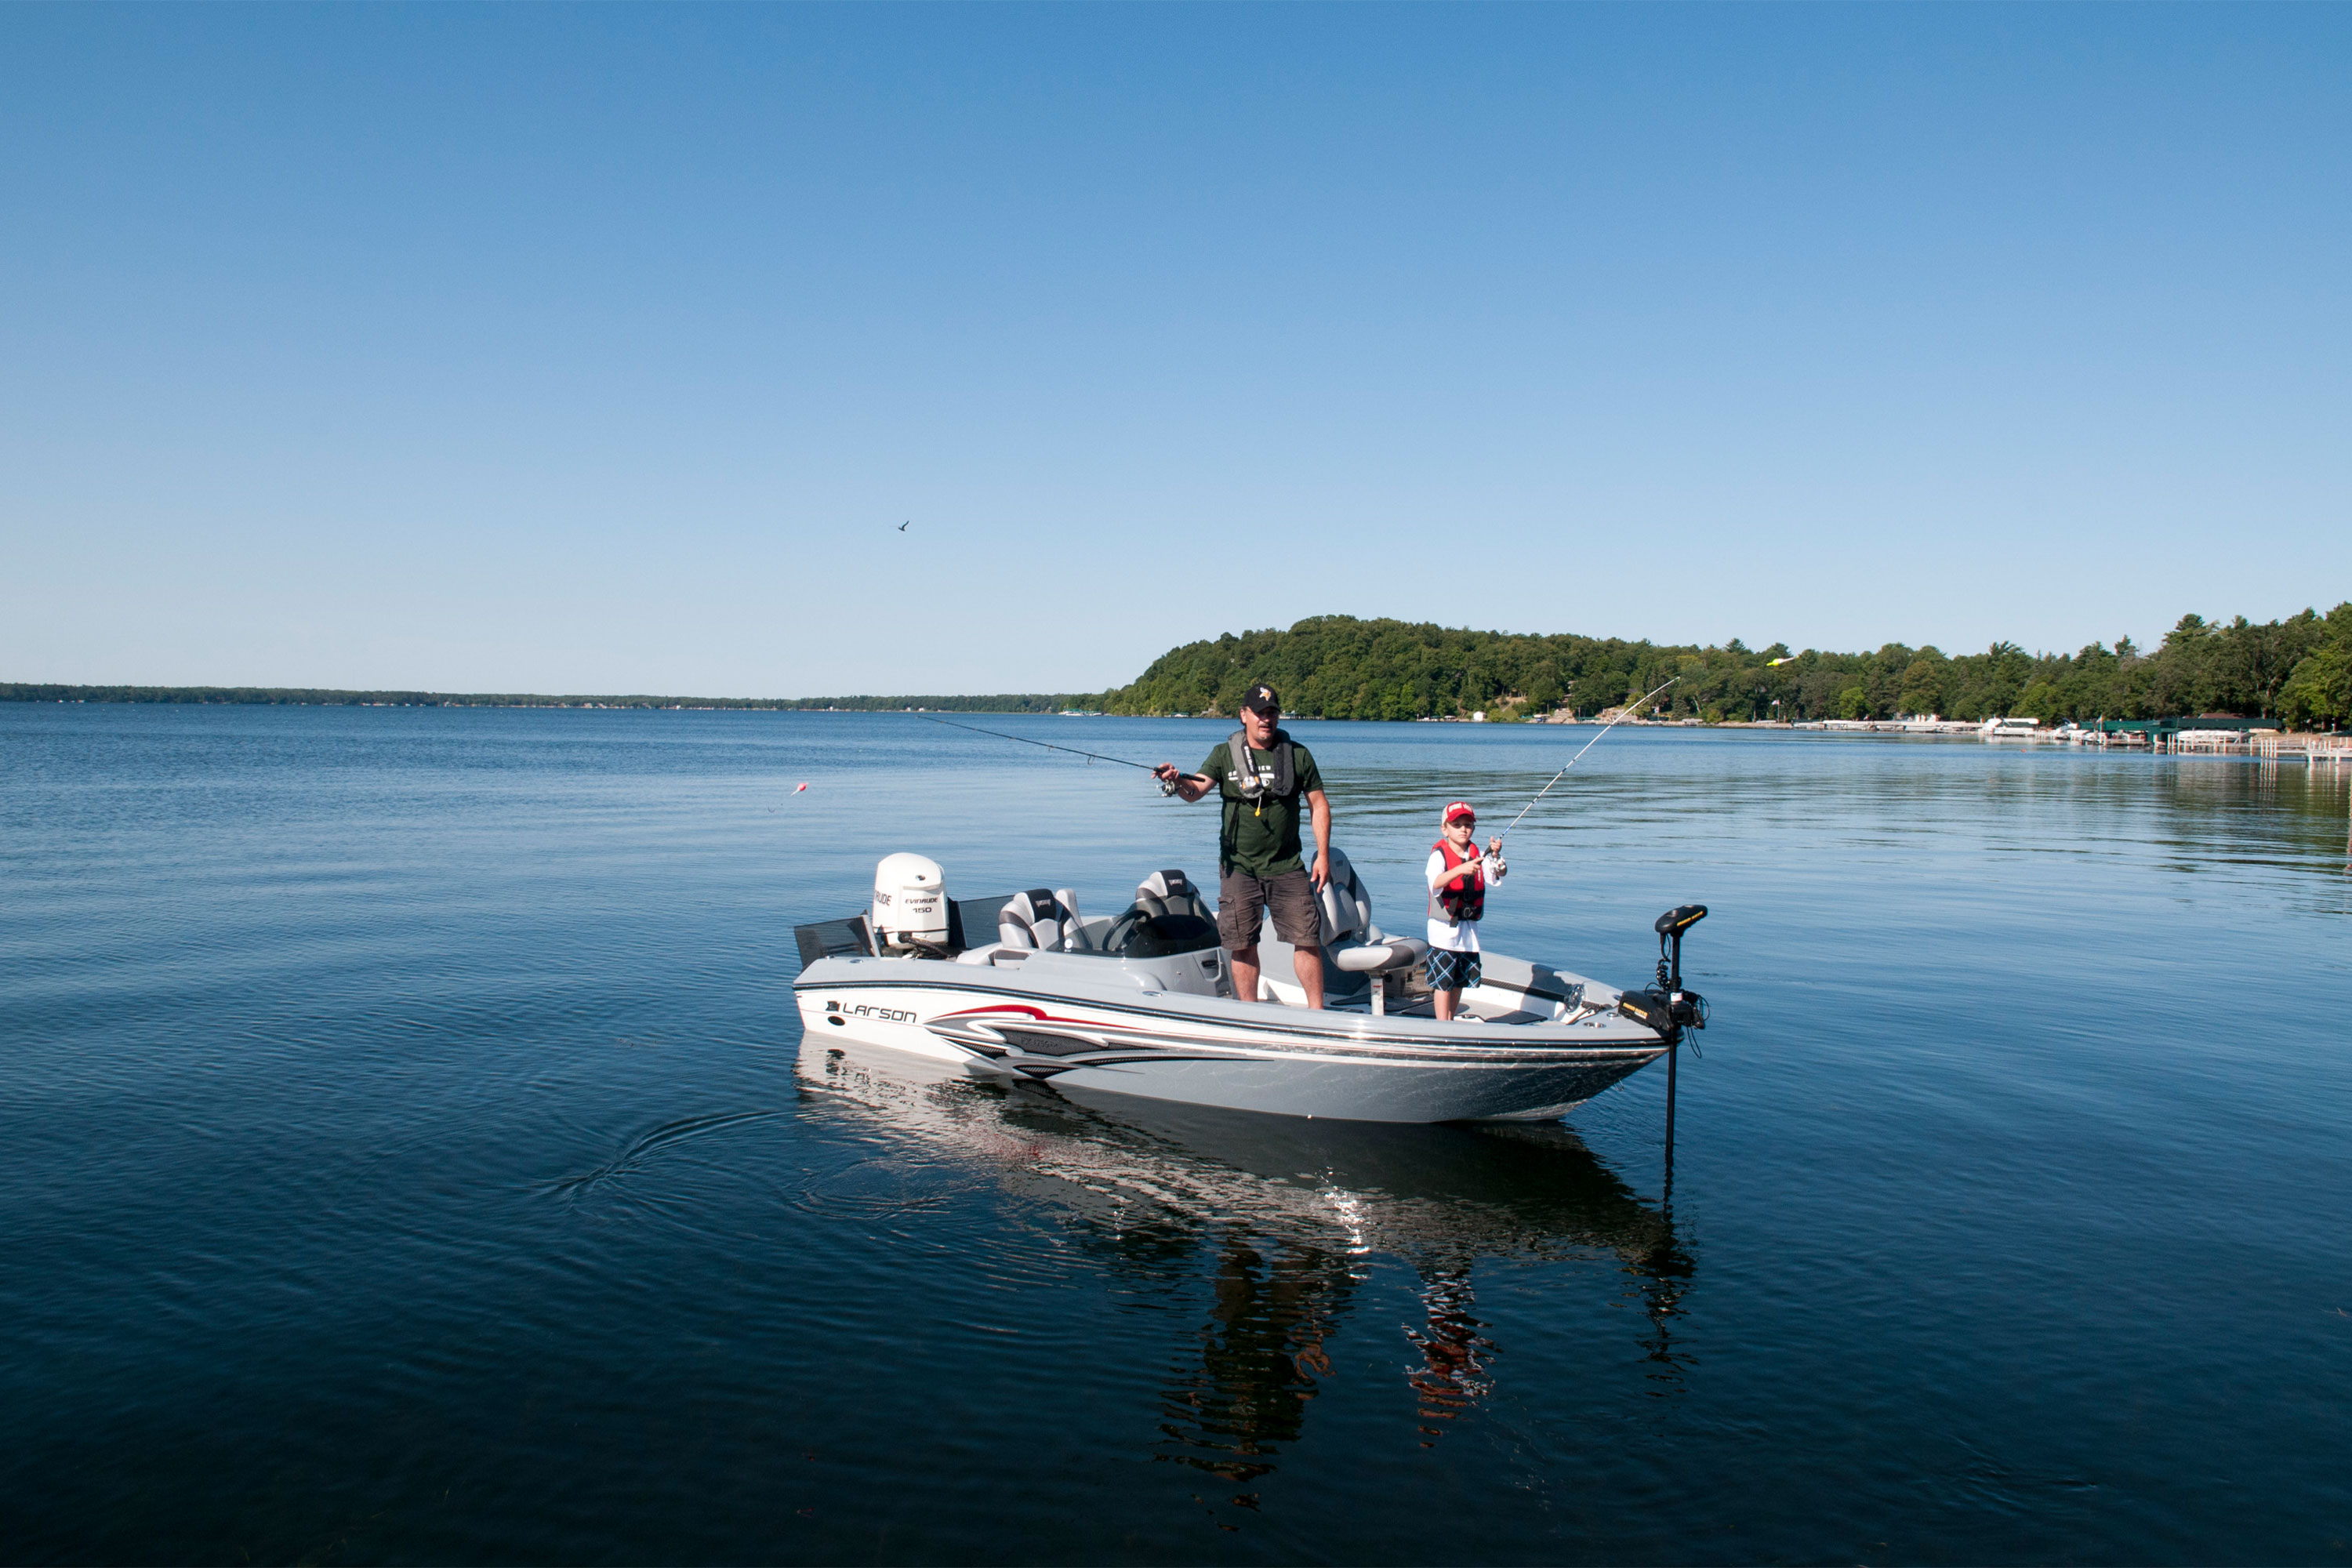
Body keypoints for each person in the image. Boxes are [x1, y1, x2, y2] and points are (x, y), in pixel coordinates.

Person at [1153, 684, 1332, 1008]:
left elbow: (1319, 805)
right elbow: (1196, 791)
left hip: (1288, 867)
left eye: (1272, 713)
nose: (1267, 720)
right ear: (1244, 715)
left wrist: (1323, 855)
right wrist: (1176, 779)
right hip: (1239, 869)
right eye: (1260, 713)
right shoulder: (1224, 754)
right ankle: (1251, 1014)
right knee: (1243, 943)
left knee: (1307, 941)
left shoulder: (1299, 755)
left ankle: (1317, 1015)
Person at [1425, 801, 1505, 1022]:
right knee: (1443, 982)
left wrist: (1496, 858)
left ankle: (1450, 1018)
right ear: (1445, 829)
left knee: (1460, 979)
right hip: (1443, 933)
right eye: (1456, 824)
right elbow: (1435, 883)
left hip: (1467, 931)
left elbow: (1495, 876)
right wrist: (1460, 869)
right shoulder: (1439, 855)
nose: (1463, 829)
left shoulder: (1477, 853)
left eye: (1468, 824)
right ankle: (1443, 1024)